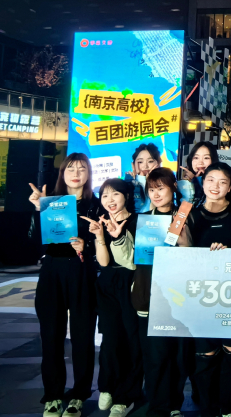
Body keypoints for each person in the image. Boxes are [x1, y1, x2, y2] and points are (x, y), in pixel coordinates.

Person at [27, 153, 100, 417]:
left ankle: (79, 395)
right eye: (71, 168)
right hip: (52, 271)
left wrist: (87, 246)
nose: (76, 173)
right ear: (62, 173)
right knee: (50, 336)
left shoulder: (96, 205)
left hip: (82, 272)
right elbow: (33, 242)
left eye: (82, 168)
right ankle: (53, 396)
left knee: (83, 336)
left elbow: (104, 243)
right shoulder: (50, 202)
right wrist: (38, 210)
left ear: (89, 173)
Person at [187, 163, 231, 417]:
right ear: (203, 183)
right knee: (205, 353)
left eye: (222, 182)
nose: (215, 186)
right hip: (201, 295)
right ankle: (207, 407)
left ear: (230, 187)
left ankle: (230, 408)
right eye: (210, 180)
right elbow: (181, 255)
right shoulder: (190, 214)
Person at [129, 168, 193, 417]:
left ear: (173, 188)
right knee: (155, 358)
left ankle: (174, 405)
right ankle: (158, 407)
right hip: (148, 296)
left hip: (178, 298)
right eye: (152, 189)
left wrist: (185, 241)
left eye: (161, 188)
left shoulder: (185, 217)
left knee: (179, 357)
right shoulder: (143, 220)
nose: (155, 194)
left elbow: (194, 259)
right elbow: (131, 260)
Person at [83, 178, 142, 417]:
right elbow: (104, 262)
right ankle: (107, 386)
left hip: (132, 282)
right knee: (110, 337)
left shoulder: (139, 221)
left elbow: (134, 260)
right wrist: (99, 235)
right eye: (104, 195)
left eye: (115, 194)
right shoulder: (101, 221)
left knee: (132, 339)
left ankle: (126, 397)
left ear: (126, 196)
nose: (109, 200)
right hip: (107, 284)